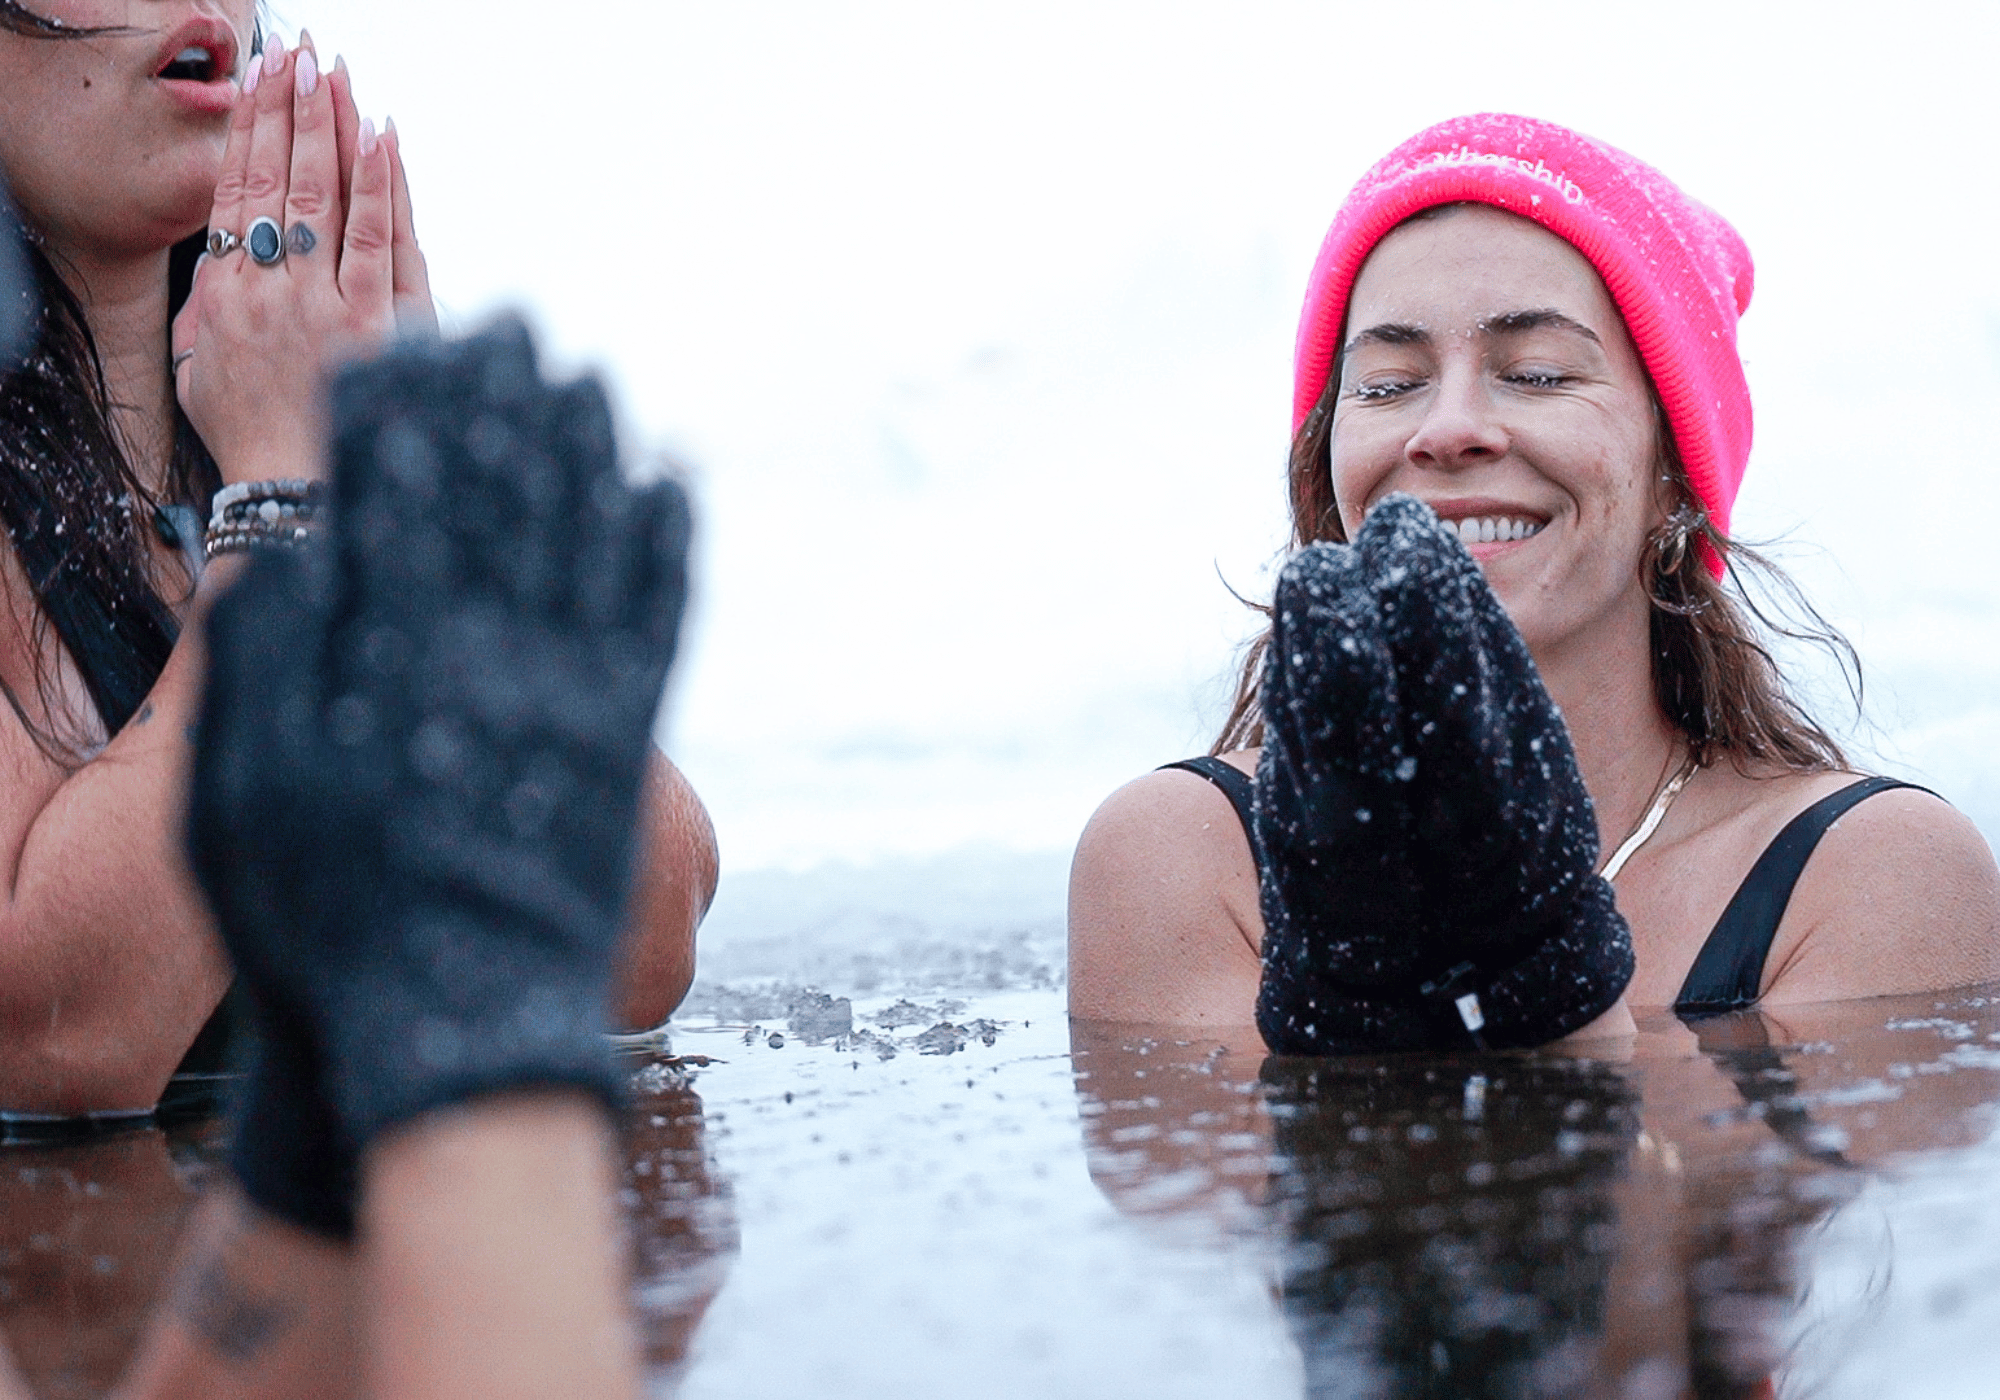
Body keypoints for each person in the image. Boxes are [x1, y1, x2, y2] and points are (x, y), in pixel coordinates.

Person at [1069, 114, 2000, 1051]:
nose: (1449, 429)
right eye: (1387, 384)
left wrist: (1547, 979)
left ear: (1675, 474)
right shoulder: (1184, 857)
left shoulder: (1878, 873)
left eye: (1540, 374)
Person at [0, 3, 717, 1117]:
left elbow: (642, 939)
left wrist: (405, 510)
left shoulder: (283, 390)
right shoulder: (270, 442)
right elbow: (58, 1041)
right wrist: (282, 507)